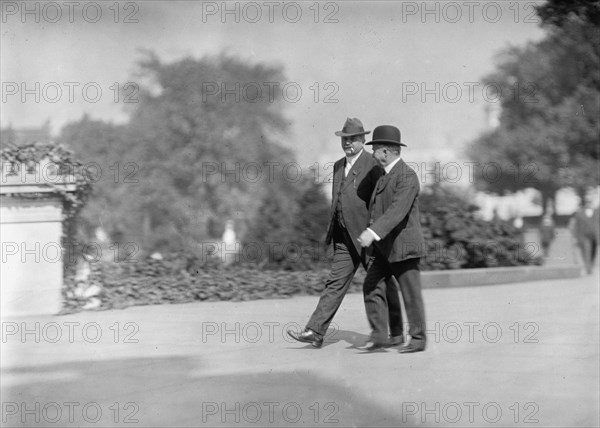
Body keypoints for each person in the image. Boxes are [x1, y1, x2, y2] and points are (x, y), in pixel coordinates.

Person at [287, 118, 404, 348]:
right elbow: (337, 200)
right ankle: (315, 331)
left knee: (382, 283)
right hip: (344, 239)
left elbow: (382, 200)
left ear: (362, 140)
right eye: (345, 139)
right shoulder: (338, 165)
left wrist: (376, 231)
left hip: (368, 238)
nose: (348, 143)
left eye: (353, 139)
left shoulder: (373, 164)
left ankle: (397, 333)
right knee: (335, 283)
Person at [358, 125, 427, 353]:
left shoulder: (407, 176)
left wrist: (372, 232)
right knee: (372, 285)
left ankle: (417, 339)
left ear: (386, 152)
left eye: (375, 150)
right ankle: (382, 336)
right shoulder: (384, 177)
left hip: (404, 247)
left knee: (410, 294)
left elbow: (397, 210)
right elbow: (378, 210)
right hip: (384, 248)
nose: (373, 156)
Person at [569, 201, 599, 275]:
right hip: (584, 236)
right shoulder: (579, 214)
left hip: (594, 236)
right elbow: (576, 226)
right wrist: (575, 237)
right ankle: (588, 268)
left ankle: (590, 265)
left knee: (593, 252)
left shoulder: (595, 213)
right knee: (587, 251)